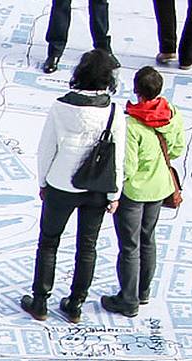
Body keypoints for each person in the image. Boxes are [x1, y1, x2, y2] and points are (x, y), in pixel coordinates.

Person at [24, 50, 122, 325]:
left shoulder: (60, 107)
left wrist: (42, 182)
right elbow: (119, 155)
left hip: (60, 184)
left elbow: (46, 150)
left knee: (48, 242)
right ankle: (75, 303)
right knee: (87, 246)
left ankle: (40, 300)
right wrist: (114, 194)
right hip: (97, 189)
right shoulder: (113, 111)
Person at [106, 65, 185, 317]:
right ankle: (143, 292)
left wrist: (114, 192)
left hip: (134, 191)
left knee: (129, 246)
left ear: (137, 90)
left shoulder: (131, 123)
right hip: (160, 187)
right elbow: (176, 149)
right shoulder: (171, 112)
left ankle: (127, 299)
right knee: (148, 239)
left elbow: (127, 166)